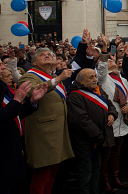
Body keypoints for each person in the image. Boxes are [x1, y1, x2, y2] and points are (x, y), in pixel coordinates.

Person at [18, 48, 74, 194]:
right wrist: (58, 79)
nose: (47, 55)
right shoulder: (30, 76)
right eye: (42, 55)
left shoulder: (52, 76)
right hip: (42, 134)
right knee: (40, 179)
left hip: (56, 132)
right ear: (34, 61)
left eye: (49, 54)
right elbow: (32, 91)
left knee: (51, 176)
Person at [67, 68, 118, 194]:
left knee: (96, 169)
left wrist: (112, 114)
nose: (95, 79)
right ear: (81, 80)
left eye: (95, 76)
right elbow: (81, 120)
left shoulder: (98, 90)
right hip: (85, 141)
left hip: (99, 140)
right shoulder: (75, 96)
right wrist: (100, 135)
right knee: (85, 172)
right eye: (91, 77)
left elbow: (109, 104)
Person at [1, 65, 47, 194]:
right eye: (0, 64)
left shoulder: (3, 88)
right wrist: (17, 101)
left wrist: (32, 102)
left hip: (11, 153)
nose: (3, 67)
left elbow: (15, 115)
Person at [97, 55, 128, 192]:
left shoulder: (123, 79)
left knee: (116, 151)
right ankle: (105, 181)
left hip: (122, 119)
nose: (111, 61)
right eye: (108, 60)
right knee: (107, 151)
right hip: (109, 118)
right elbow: (101, 72)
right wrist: (104, 54)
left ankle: (115, 178)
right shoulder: (104, 78)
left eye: (112, 59)